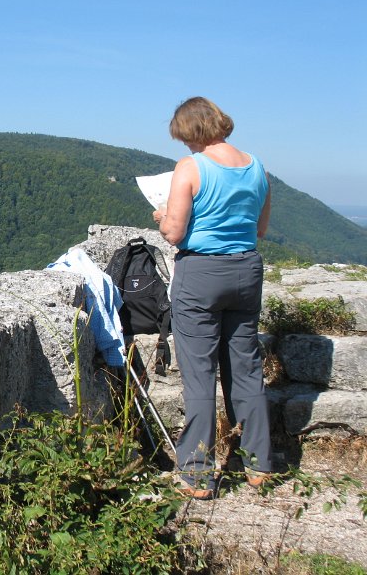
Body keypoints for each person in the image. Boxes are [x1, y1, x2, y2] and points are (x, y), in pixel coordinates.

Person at [153, 97, 272, 499]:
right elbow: (261, 228)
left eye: (184, 137)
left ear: (193, 131)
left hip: (202, 272)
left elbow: (173, 233)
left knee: (200, 373)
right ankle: (258, 465)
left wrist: (162, 215)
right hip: (247, 270)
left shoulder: (191, 167)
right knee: (246, 367)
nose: (185, 146)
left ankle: (197, 474)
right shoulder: (256, 167)